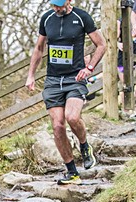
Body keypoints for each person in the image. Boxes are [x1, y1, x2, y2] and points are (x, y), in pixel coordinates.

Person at [26, 0, 106, 185]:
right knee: (57, 126)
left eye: (60, 5)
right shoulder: (47, 19)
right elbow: (39, 48)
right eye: (54, 5)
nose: (56, 8)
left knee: (72, 117)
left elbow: (101, 45)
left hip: (75, 78)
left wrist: (89, 68)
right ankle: (71, 171)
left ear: (69, 1)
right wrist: (31, 75)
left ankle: (84, 146)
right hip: (53, 80)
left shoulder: (82, 17)